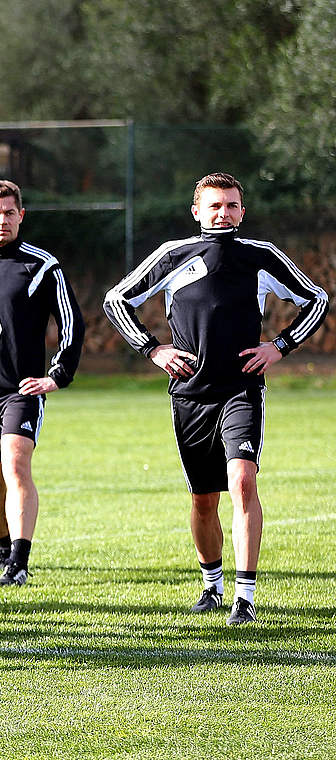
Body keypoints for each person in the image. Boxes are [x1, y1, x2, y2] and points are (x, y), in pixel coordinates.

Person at [104, 172, 327, 626]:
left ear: (242, 211)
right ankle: (212, 585)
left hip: (241, 389)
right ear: (197, 211)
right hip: (190, 395)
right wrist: (154, 349)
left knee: (243, 481)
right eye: (214, 206)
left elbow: (316, 299)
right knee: (203, 500)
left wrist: (279, 346)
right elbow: (115, 300)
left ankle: (244, 598)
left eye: (231, 205)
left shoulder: (260, 256)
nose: (223, 213)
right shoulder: (173, 255)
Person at [0, 180, 84, 588]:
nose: (2, 221)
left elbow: (71, 323)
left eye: (9, 213)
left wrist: (57, 376)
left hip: (20, 390)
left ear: (21, 215)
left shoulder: (43, 265)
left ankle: (20, 563)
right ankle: (3, 546)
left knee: (16, 466)